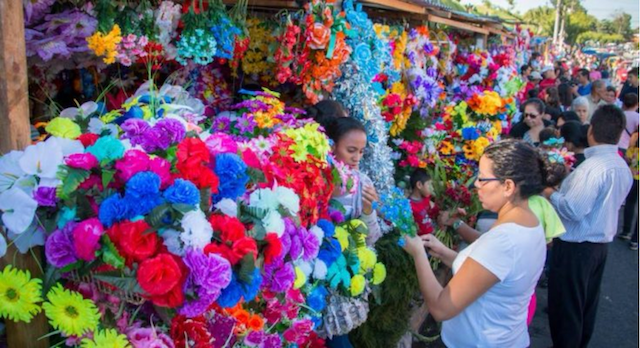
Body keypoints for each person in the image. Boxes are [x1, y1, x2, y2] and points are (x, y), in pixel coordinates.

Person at [404, 139, 550, 347]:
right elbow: (488, 273)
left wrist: (418, 254)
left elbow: (440, 308)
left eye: (483, 179)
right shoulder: (529, 222)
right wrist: (445, 253)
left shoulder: (504, 241)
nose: (476, 185)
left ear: (508, 186)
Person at [543, 105, 633, 348]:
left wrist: (550, 191)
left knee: (566, 311)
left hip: (576, 249)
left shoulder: (594, 168)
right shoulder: (618, 165)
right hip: (598, 248)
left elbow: (573, 210)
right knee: (584, 308)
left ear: (592, 129)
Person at [324, 116, 381, 348]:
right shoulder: (317, 178)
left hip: (340, 276)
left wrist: (368, 210)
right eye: (350, 150)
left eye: (361, 151)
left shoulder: (363, 183)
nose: (357, 158)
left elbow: (372, 236)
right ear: (331, 146)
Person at [619, 131, 639, 250]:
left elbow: (627, 157)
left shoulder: (636, 136)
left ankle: (626, 231)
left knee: (630, 203)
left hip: (633, 177)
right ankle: (635, 240)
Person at [409, 168, 439, 236]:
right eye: (429, 184)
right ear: (419, 185)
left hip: (433, 234)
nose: (432, 188)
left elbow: (430, 212)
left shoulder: (426, 198)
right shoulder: (410, 206)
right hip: (423, 240)